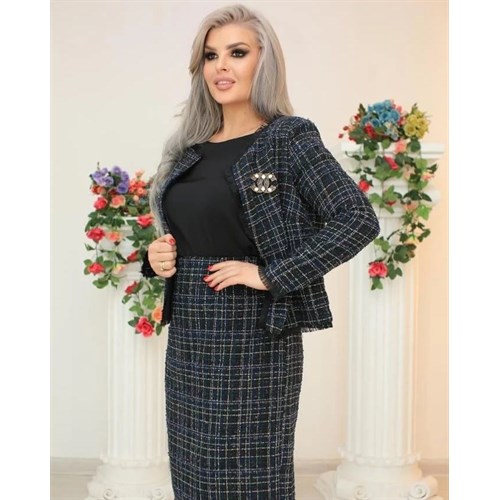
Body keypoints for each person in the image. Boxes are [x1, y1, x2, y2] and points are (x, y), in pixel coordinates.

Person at [141, 4, 380, 499]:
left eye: (237, 53)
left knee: (250, 472)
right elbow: (193, 229)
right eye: (211, 55)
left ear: (263, 61)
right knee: (193, 469)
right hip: (189, 331)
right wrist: (157, 259)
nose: (221, 66)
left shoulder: (288, 138)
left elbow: (357, 218)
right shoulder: (189, 149)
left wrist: (270, 275)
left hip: (254, 330)